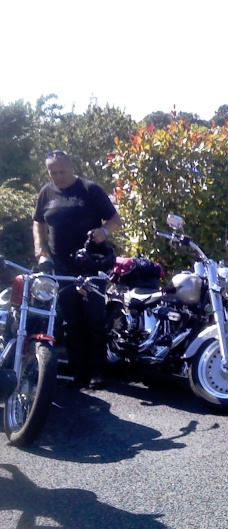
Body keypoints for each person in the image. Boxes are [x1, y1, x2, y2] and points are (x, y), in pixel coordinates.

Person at [33, 150, 121, 389]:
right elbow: (38, 222)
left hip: (90, 265)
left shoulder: (89, 189)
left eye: (62, 171)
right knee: (70, 321)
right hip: (61, 267)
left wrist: (104, 232)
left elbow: (114, 219)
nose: (58, 177)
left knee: (94, 318)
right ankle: (77, 373)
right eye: (53, 172)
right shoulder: (46, 192)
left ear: (71, 168)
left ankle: (97, 372)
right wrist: (41, 249)